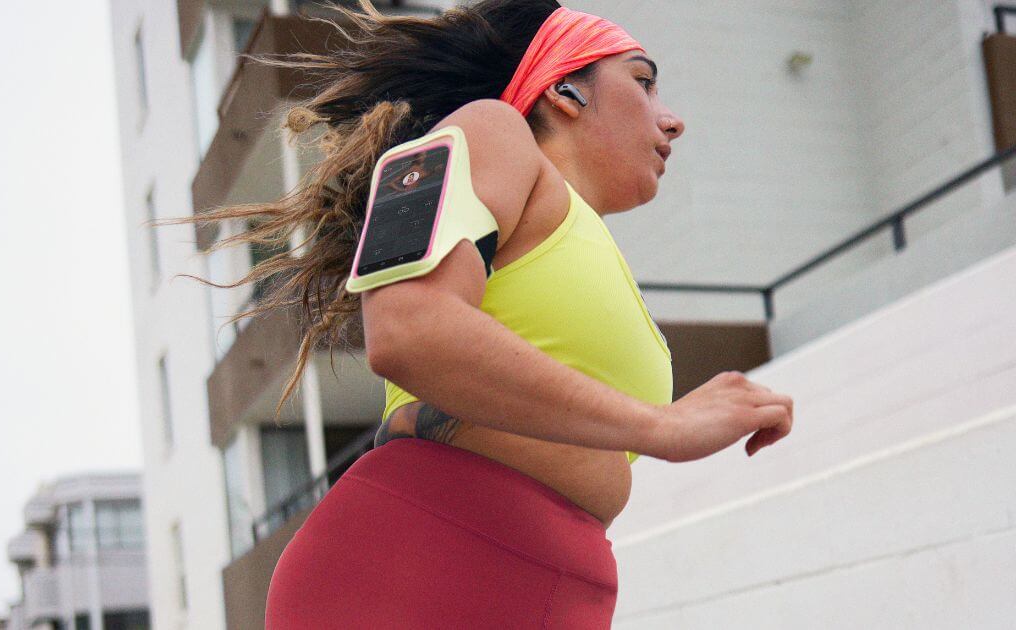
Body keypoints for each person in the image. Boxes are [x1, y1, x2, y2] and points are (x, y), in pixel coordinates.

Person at [174, 0, 794, 626]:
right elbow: (408, 327)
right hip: (426, 567)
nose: (673, 118)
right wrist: (661, 427)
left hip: (543, 582)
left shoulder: (578, 241)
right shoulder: (487, 130)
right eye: (642, 80)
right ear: (565, 91)